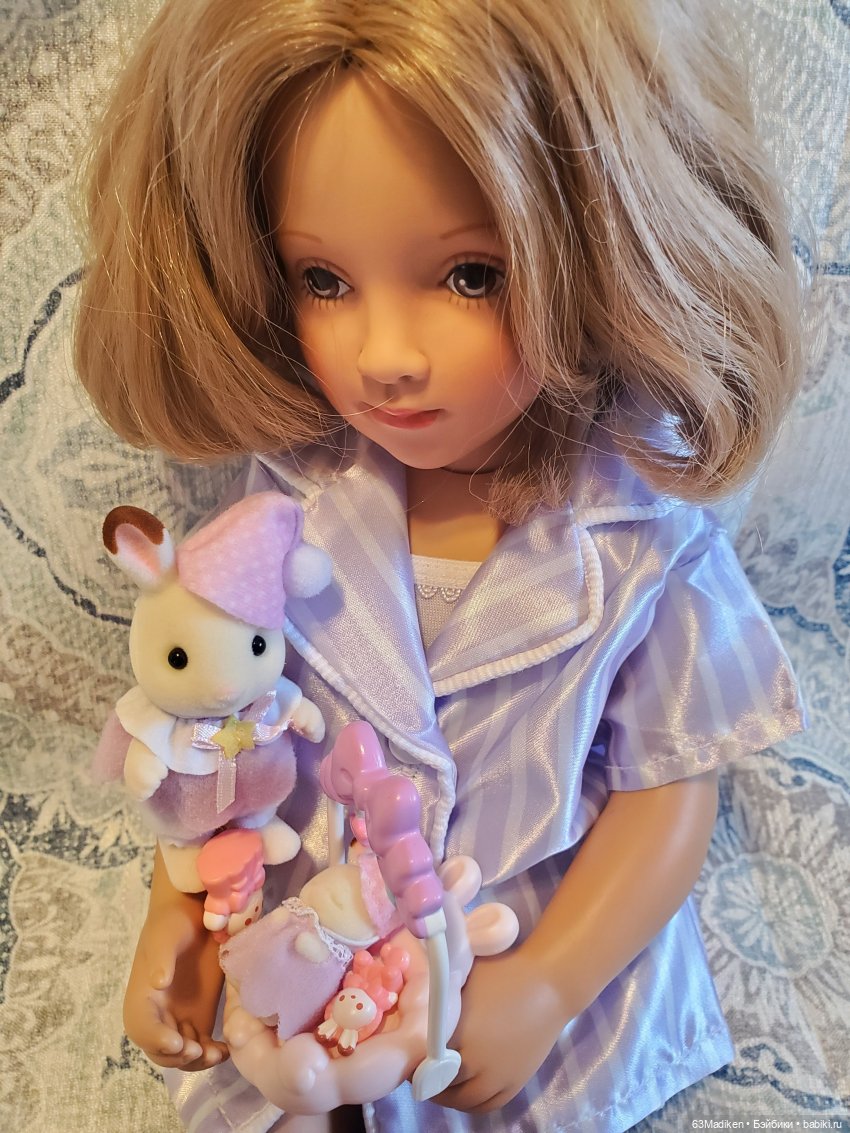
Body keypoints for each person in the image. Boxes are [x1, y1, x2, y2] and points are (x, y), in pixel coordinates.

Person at [73, 1, 806, 1130]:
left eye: (470, 275)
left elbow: (665, 793)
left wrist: (551, 983)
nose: (386, 356)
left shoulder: (640, 539)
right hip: (305, 953)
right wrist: (180, 922)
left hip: (524, 954)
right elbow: (237, 736)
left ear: (608, 256)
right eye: (324, 279)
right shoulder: (288, 499)